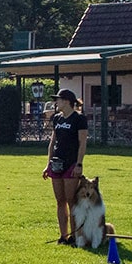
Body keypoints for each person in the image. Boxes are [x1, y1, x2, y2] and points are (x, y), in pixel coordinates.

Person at [44, 88, 89, 242]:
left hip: (71, 164)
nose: (56, 103)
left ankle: (75, 236)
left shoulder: (79, 119)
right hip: (57, 164)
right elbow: (52, 142)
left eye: (58, 100)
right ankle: (63, 235)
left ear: (67, 101)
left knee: (71, 201)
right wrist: (48, 164)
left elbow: (82, 143)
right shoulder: (57, 118)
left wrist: (79, 164)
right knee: (60, 201)